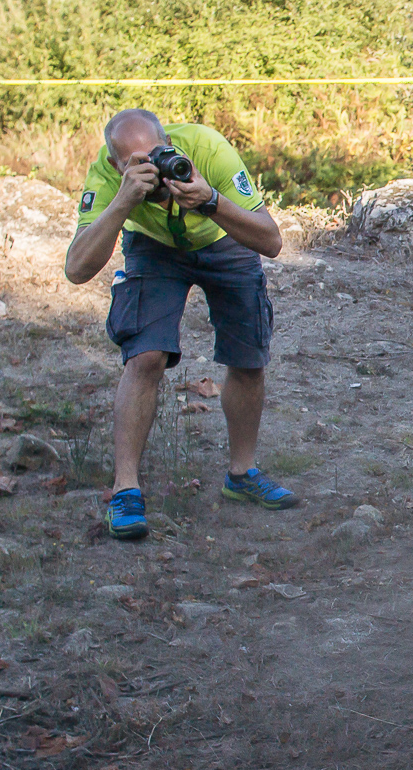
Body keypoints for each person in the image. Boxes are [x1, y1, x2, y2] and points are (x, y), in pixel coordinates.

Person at [64, 109, 299, 540]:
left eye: (158, 155)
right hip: (154, 248)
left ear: (169, 143)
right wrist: (123, 200)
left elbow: (271, 240)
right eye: (137, 164)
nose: (155, 170)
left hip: (222, 235)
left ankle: (242, 474)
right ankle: (125, 491)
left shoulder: (208, 149)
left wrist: (211, 201)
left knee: (248, 358)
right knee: (145, 357)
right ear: (116, 164)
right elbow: (77, 269)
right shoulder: (106, 174)